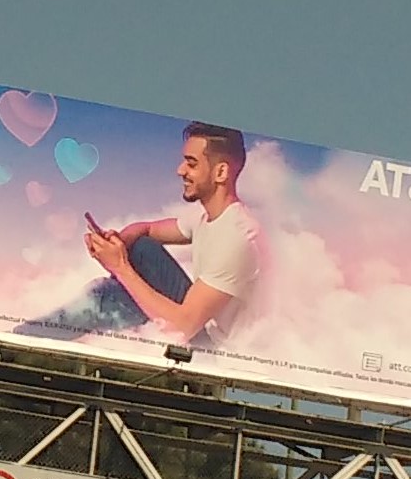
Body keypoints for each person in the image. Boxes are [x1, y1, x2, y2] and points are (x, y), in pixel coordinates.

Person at [18, 121, 267, 348]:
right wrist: (119, 242)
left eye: (191, 164)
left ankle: (15, 344)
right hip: (199, 324)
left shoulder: (235, 238)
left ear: (221, 173)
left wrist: (119, 267)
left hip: (213, 351)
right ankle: (26, 339)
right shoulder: (210, 217)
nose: (180, 170)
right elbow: (146, 229)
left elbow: (183, 328)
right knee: (140, 247)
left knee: (102, 298)